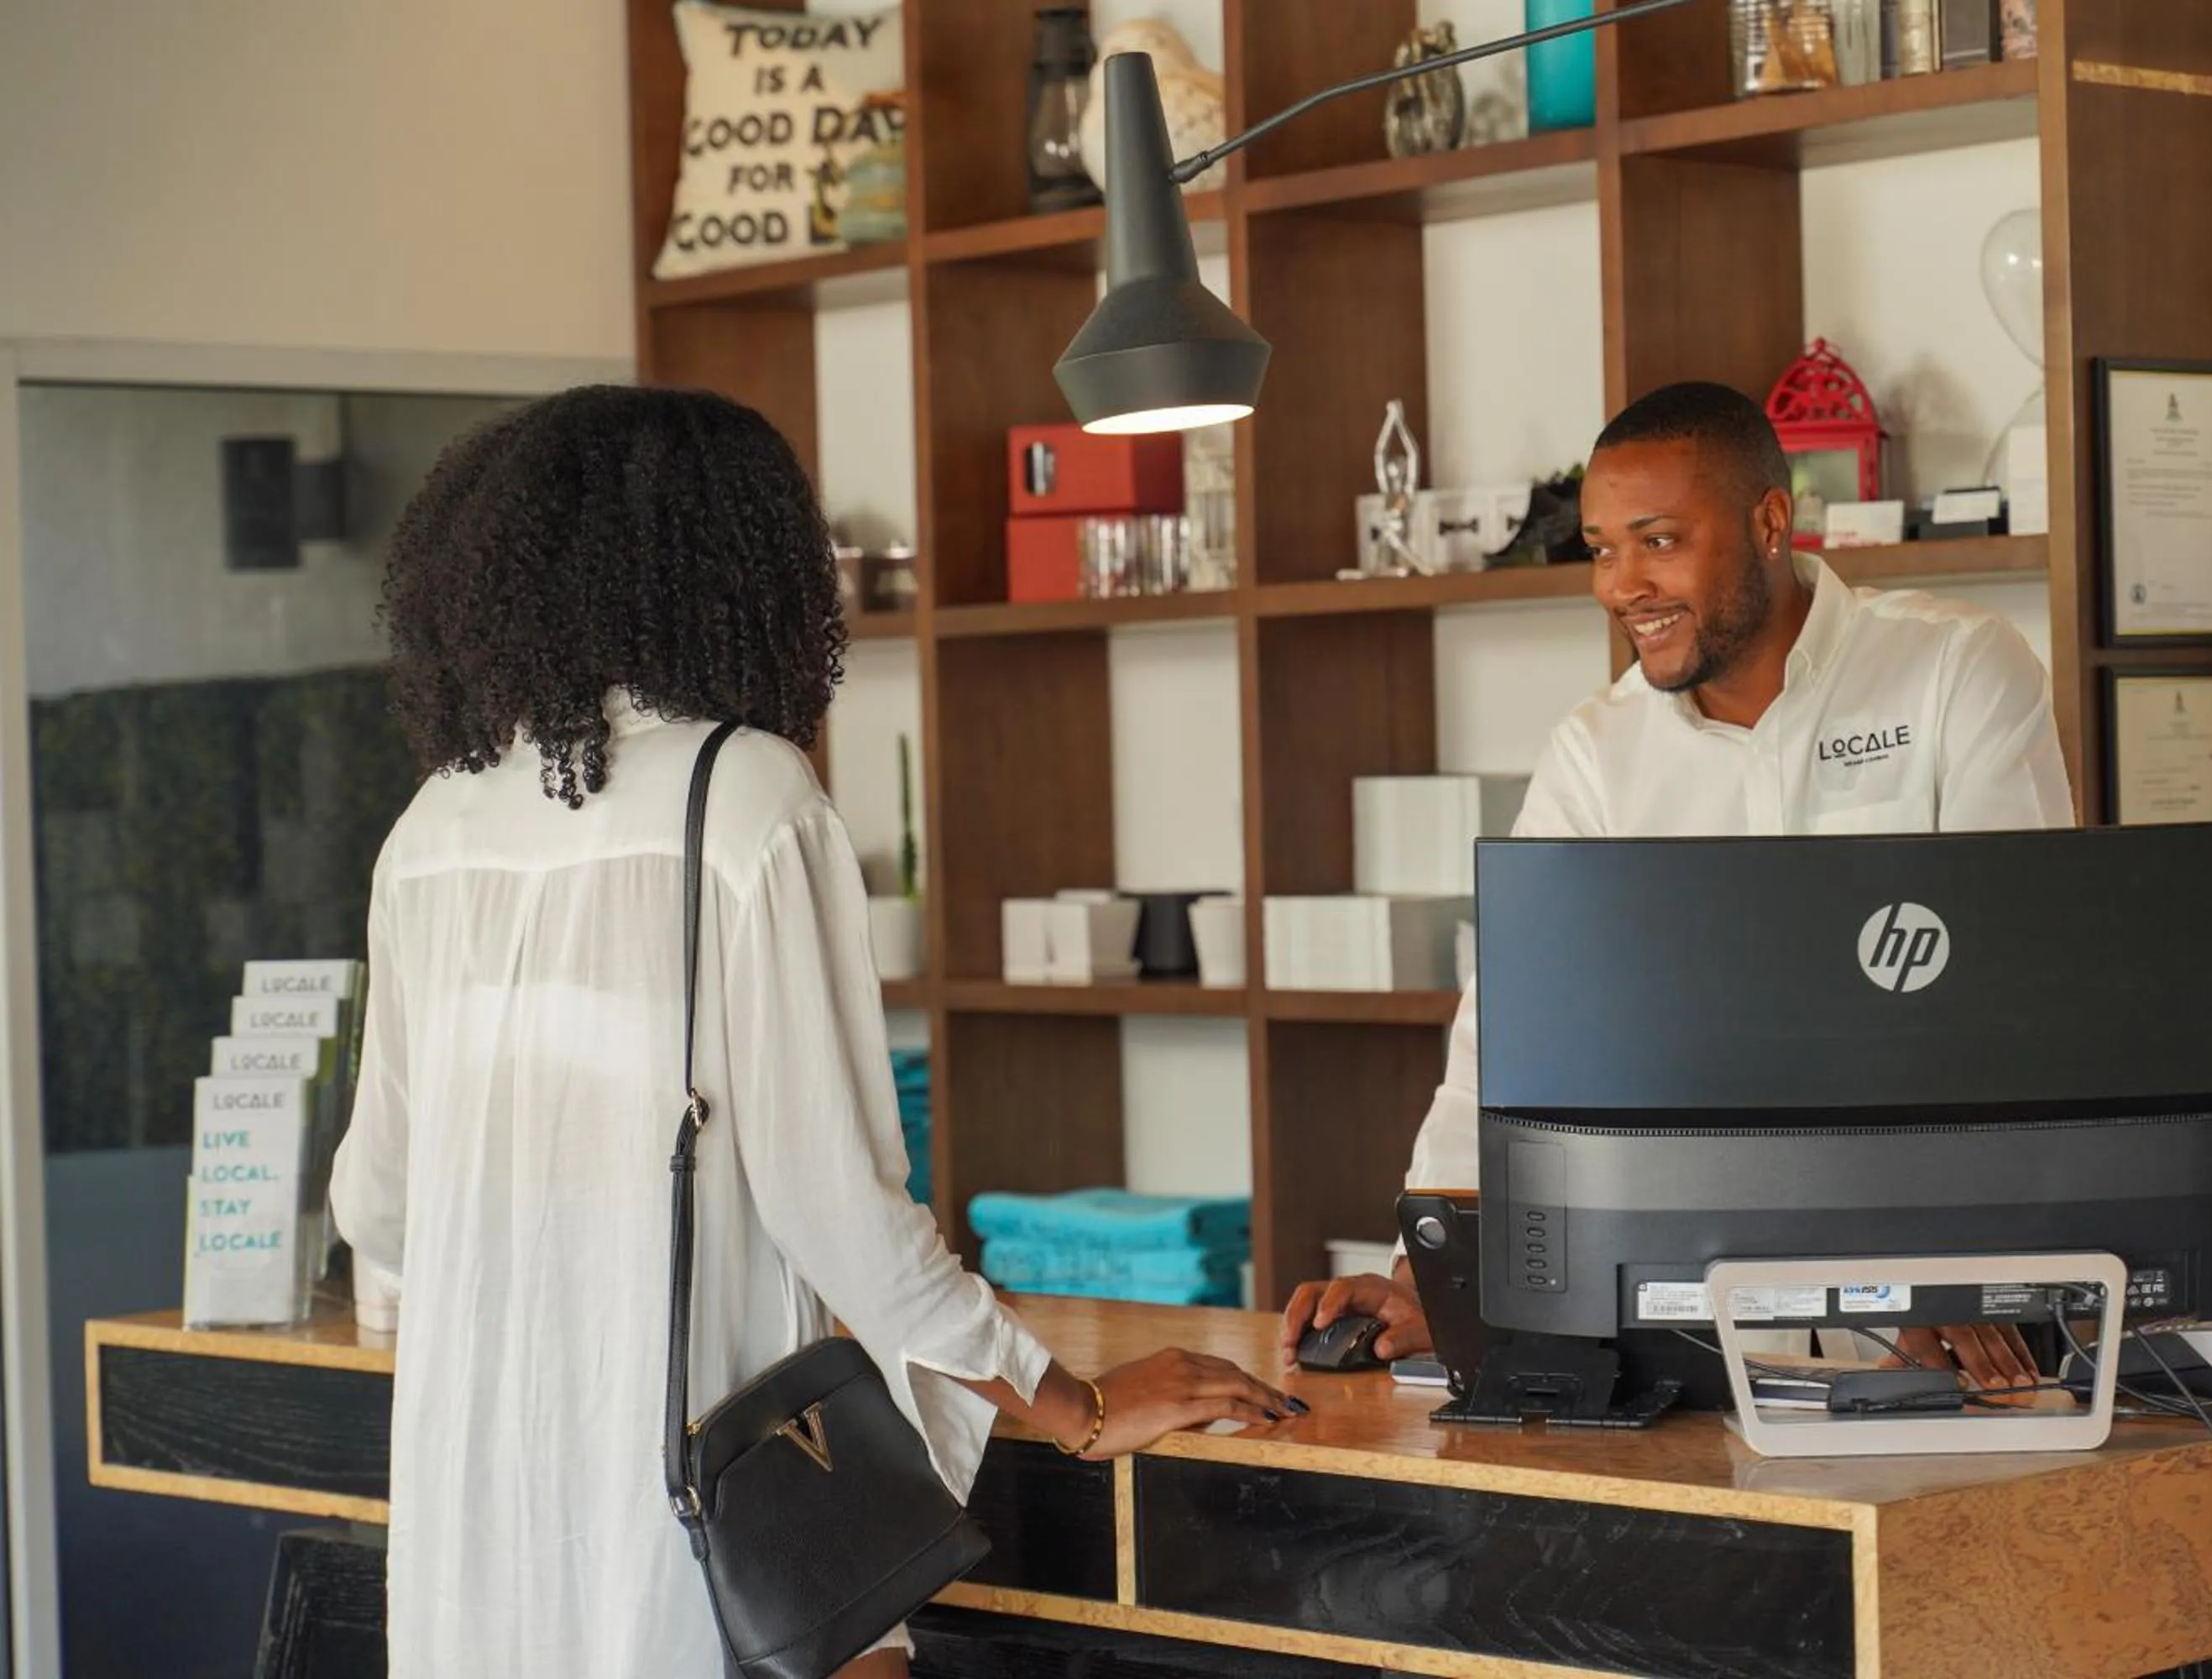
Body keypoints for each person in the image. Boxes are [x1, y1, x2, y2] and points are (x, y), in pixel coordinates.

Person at [330, 386, 1297, 1679]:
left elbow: (379, 1206)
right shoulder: (744, 795)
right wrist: (1082, 1405)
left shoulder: (432, 828)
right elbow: (844, 1215)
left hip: (478, 1526)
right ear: (736, 573)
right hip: (695, 1531)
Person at [1280, 381, 2076, 1390]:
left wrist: (1962, 1281)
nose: (1622, 585)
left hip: (1950, 1312)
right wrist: (1427, 1275)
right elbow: (1508, 1037)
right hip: (1696, 1326)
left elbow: (2022, 1011)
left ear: (1771, 522)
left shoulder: (1955, 672)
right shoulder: (1596, 756)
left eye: (1658, 541)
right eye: (1603, 548)